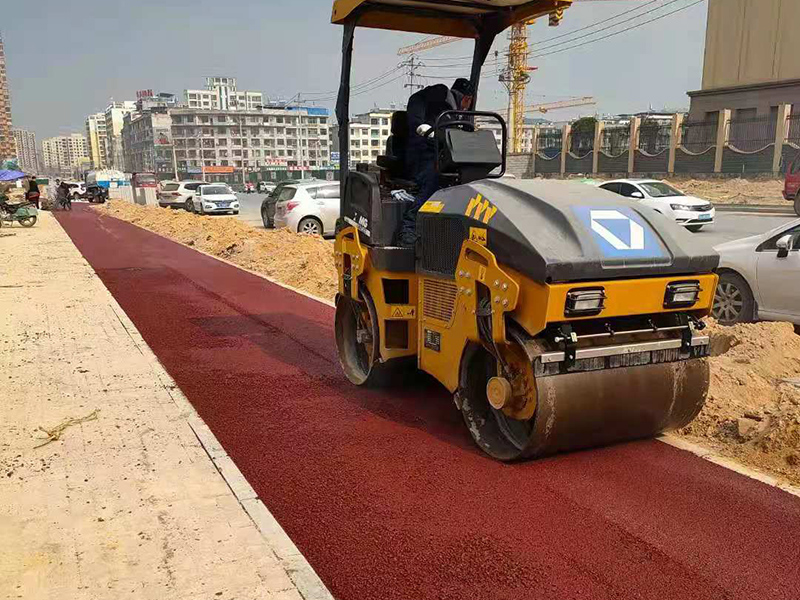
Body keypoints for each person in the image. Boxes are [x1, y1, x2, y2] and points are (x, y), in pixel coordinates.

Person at [397, 78, 474, 246]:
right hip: (422, 155)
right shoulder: (439, 96)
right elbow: (416, 103)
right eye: (469, 102)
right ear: (467, 99)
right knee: (435, 179)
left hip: (446, 157)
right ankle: (408, 228)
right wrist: (423, 128)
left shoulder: (460, 117)